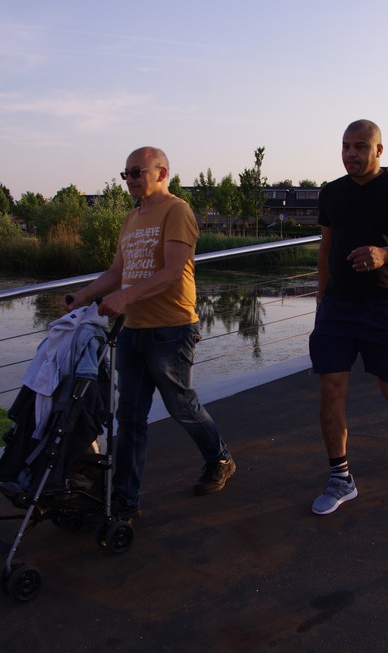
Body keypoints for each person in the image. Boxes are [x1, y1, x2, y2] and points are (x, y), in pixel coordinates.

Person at [64, 146, 235, 518]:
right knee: (129, 418)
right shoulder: (131, 217)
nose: (129, 179)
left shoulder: (177, 211)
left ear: (162, 172)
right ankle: (125, 501)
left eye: (136, 172)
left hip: (172, 330)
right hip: (132, 331)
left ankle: (220, 458)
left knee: (181, 406)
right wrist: (83, 295)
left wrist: (124, 297)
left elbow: (173, 272)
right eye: (125, 173)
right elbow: (117, 272)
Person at [308, 119, 388, 515]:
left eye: (360, 146)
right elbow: (326, 248)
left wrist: (386, 253)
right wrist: (321, 299)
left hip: (385, 306)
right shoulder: (331, 192)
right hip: (337, 308)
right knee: (330, 388)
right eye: (345, 146)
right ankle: (340, 478)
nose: (350, 153)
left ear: (378, 150)